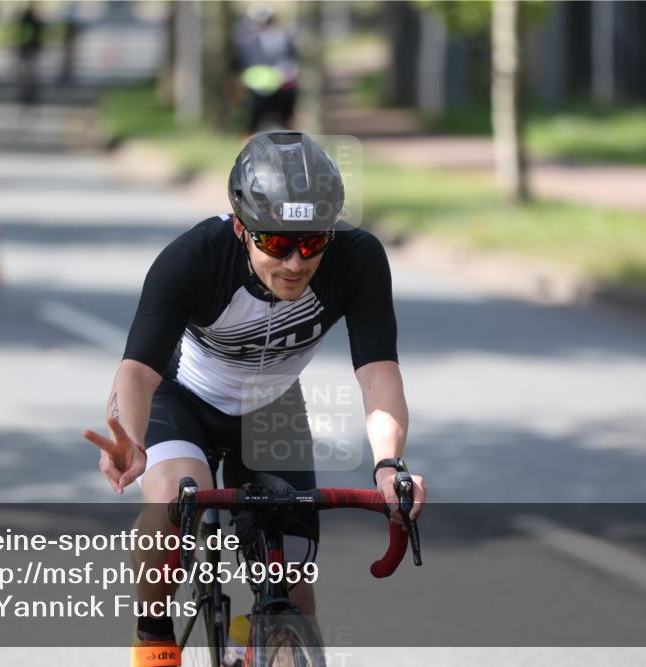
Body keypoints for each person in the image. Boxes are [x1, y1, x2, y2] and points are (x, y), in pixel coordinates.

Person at [84, 132, 426, 667]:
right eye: (275, 244)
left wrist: (389, 465)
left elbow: (378, 372)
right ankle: (154, 637)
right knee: (174, 498)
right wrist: (130, 436)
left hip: (270, 409)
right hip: (184, 398)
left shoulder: (358, 259)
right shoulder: (194, 259)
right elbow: (137, 372)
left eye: (311, 243)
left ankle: (264, 636)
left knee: (294, 589)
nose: (294, 263)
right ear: (242, 228)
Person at [230, 5, 300, 133]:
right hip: (256, 94)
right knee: (251, 126)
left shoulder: (284, 39)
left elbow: (292, 61)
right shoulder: (245, 44)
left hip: (283, 90)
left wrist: (286, 74)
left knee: (287, 124)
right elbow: (239, 68)